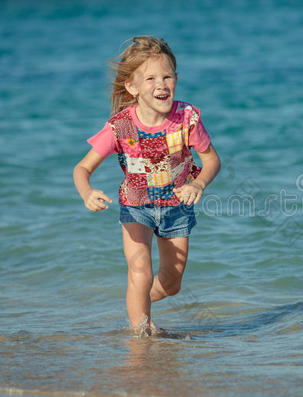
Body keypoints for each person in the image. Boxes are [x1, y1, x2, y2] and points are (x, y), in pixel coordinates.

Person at [73, 36, 221, 336]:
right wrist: (87, 192)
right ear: (133, 87)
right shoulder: (120, 127)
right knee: (140, 271)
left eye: (167, 76)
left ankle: (137, 305)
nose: (161, 84)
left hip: (177, 207)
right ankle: (139, 338)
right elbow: (82, 168)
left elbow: (212, 161)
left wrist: (198, 183)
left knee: (171, 283)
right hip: (135, 206)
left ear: (176, 80)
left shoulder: (187, 119)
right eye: (151, 78)